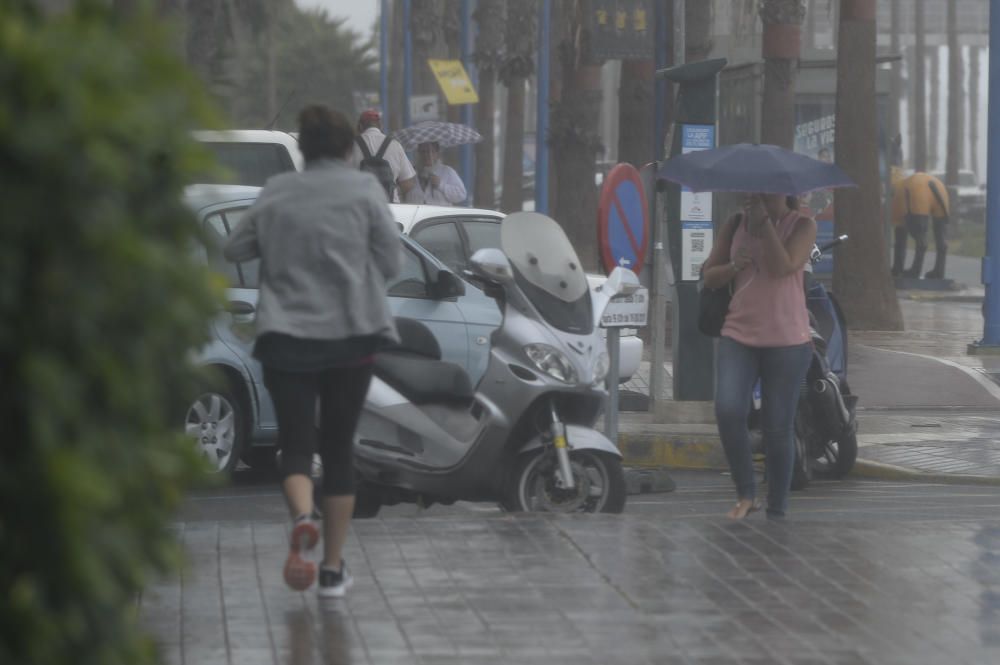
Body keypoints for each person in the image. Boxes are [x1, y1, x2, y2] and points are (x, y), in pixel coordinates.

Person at [224, 104, 401, 597]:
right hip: (351, 338)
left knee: (297, 444)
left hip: (286, 339)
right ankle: (332, 570)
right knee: (339, 449)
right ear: (348, 149)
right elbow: (391, 259)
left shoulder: (278, 190)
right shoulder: (365, 190)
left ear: (302, 147)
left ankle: (303, 515)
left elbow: (234, 249)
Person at [701, 192, 817, 520]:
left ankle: (778, 508)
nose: (758, 192)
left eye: (766, 187)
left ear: (781, 191)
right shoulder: (735, 223)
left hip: (788, 340)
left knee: (777, 427)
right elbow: (710, 275)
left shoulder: (803, 225)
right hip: (738, 334)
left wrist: (764, 224)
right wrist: (733, 265)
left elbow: (783, 266)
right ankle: (746, 493)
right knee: (728, 410)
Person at [351, 108, 416, 201]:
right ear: (380, 126)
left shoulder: (351, 146)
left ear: (360, 126)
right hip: (390, 208)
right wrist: (393, 191)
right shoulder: (395, 145)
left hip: (361, 208)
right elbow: (408, 183)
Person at [897, 172, 950, 279]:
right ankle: (939, 271)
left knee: (920, 238)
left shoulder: (901, 184)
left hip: (918, 191)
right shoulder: (935, 181)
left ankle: (914, 270)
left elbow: (900, 230)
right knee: (941, 237)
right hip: (939, 188)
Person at [404, 141, 467, 205]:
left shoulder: (447, 171)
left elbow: (461, 195)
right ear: (418, 153)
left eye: (431, 151)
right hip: (416, 213)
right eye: (423, 152)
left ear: (437, 153)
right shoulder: (411, 172)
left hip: (438, 214)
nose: (427, 155)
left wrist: (441, 185)